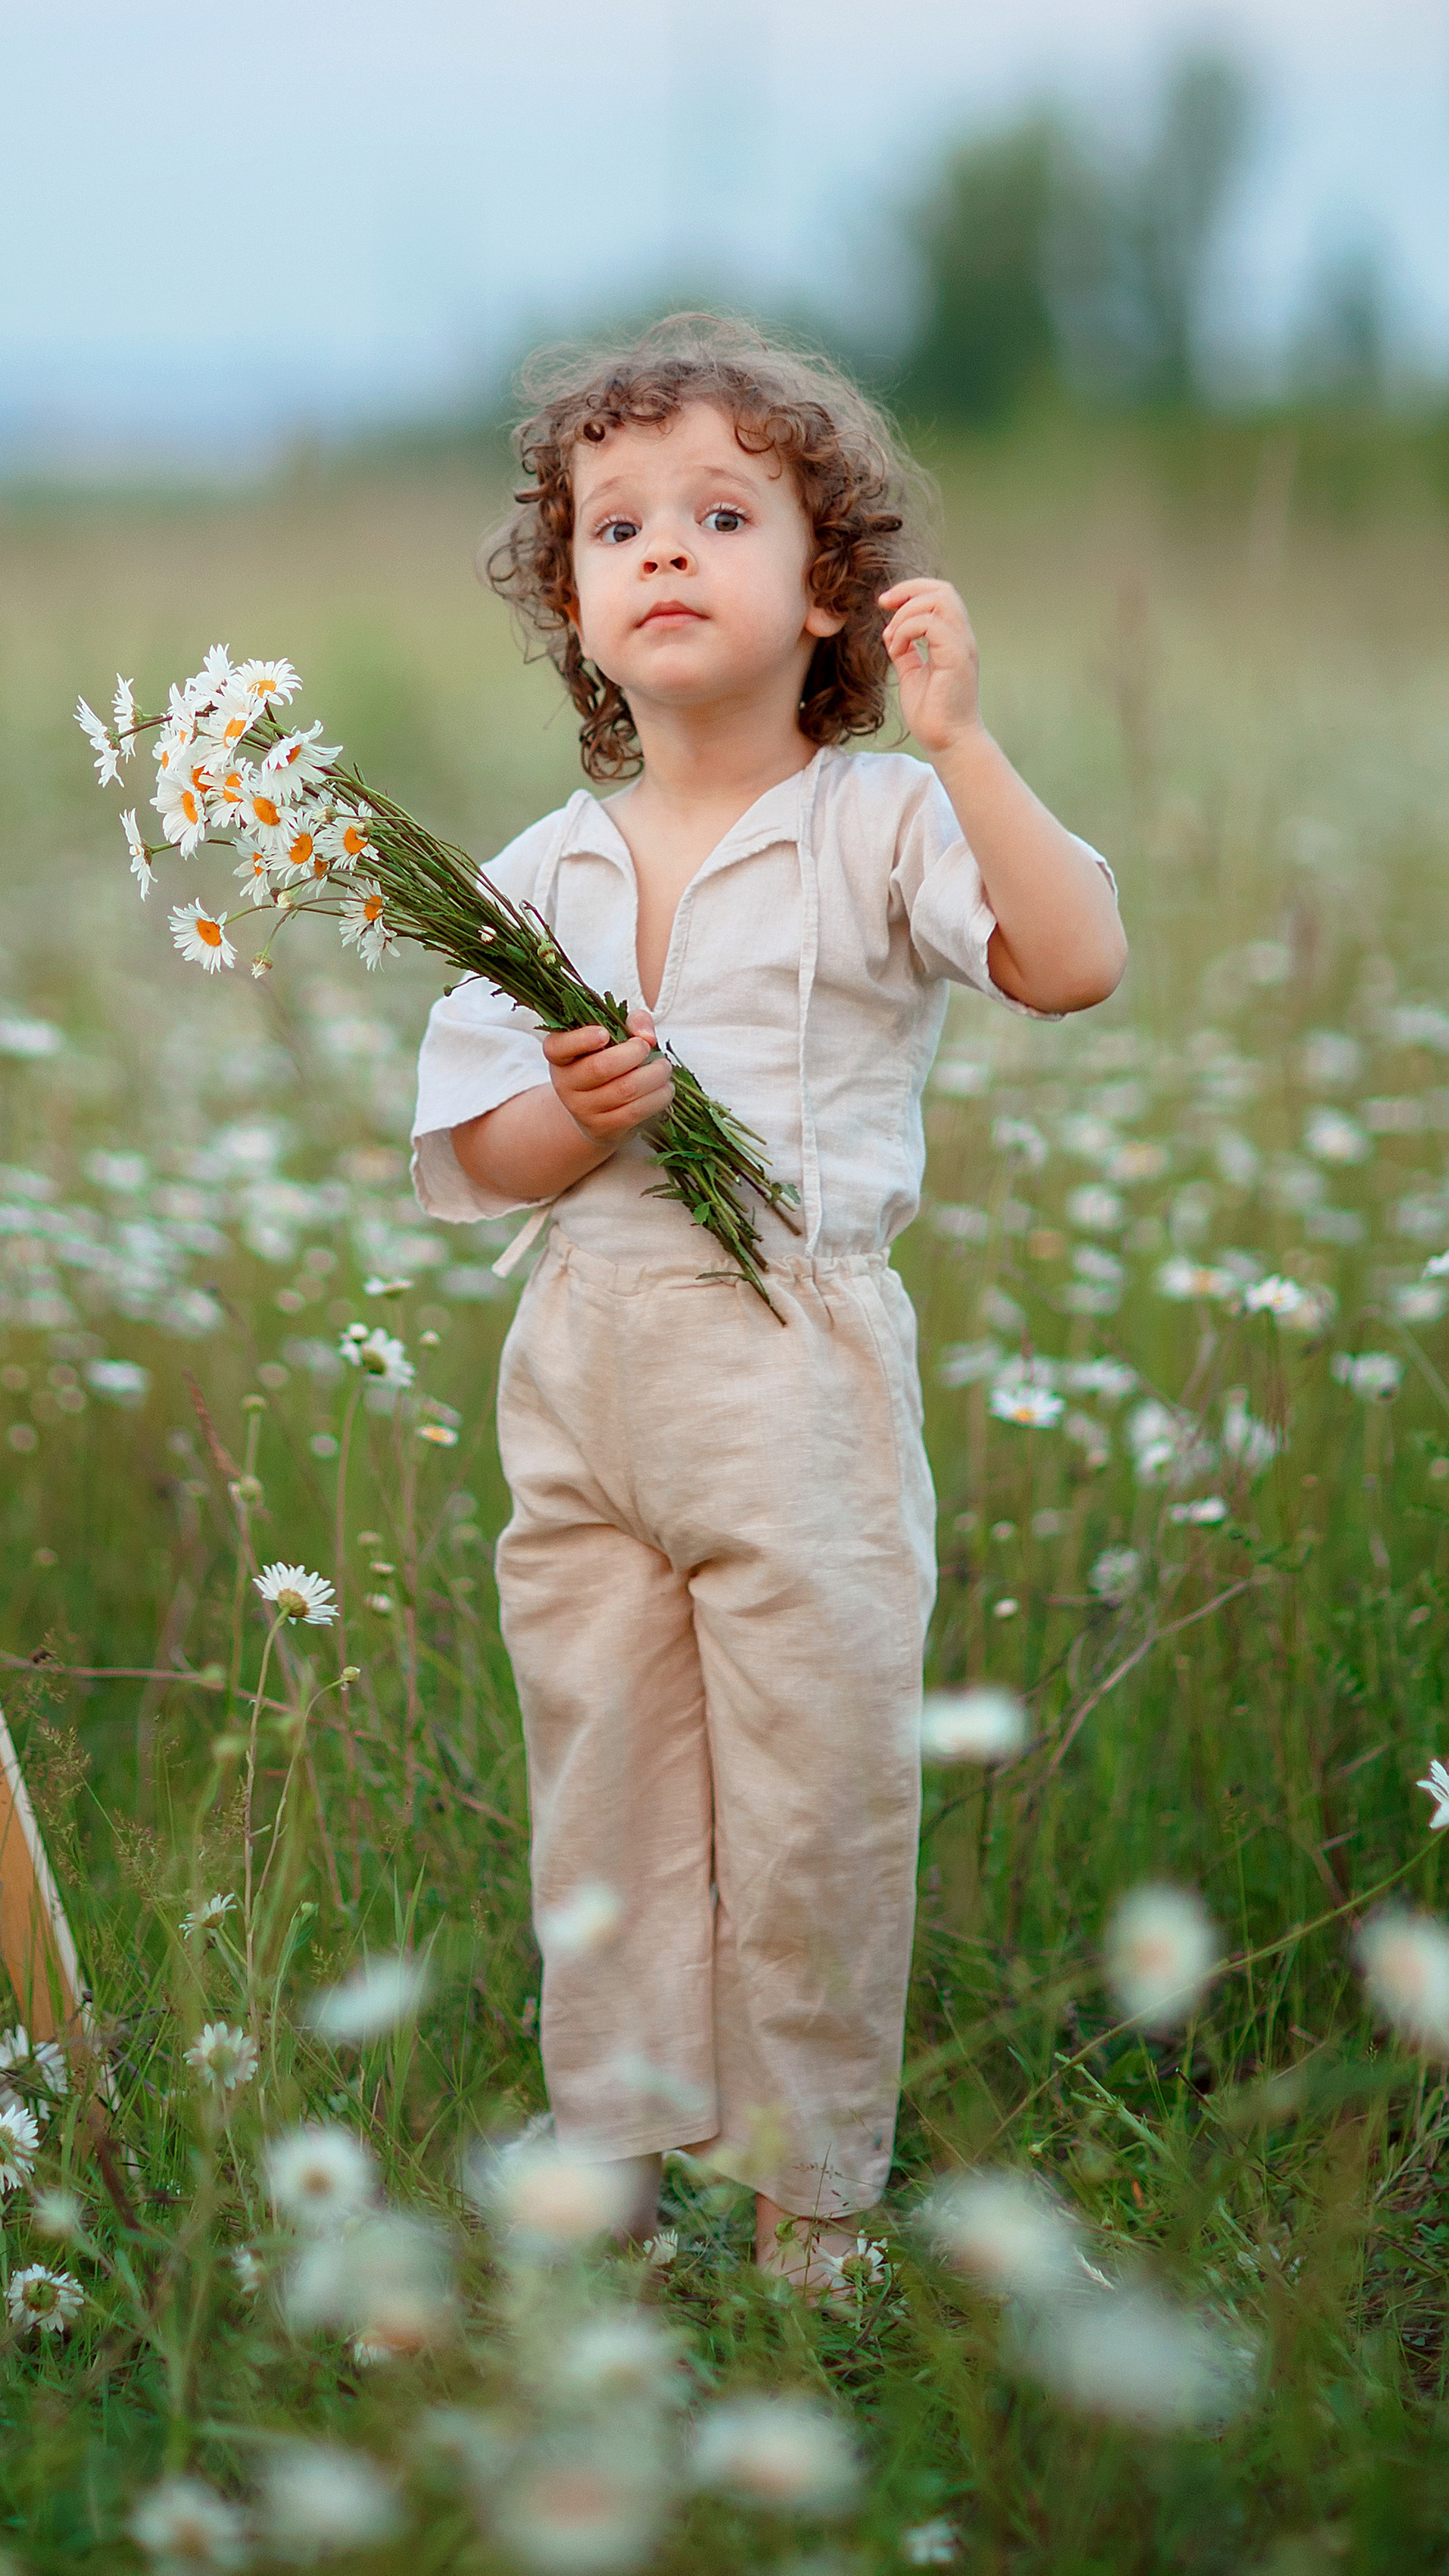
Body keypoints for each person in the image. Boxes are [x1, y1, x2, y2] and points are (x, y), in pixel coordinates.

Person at [410, 315, 1123, 2289]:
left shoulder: (879, 823)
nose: (661, 548)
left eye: (720, 515)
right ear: (571, 602)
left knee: (813, 1788)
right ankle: (613, 2159)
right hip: (582, 1363)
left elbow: (1069, 962)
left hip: (790, 1364)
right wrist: (569, 1119)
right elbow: (473, 1154)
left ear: (826, 591)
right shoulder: (536, 870)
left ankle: (813, 2203)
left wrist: (961, 742)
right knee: (603, 1788)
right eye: (614, 524)